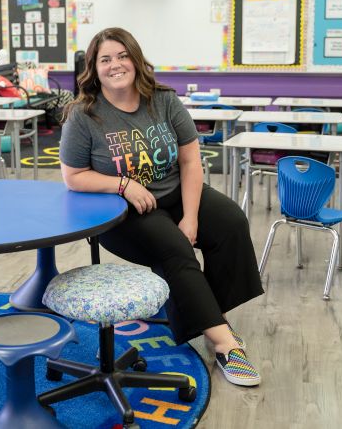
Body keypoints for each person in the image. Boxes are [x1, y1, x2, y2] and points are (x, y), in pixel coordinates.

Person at [59, 27, 264, 387]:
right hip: (121, 211)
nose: (115, 64)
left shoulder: (164, 100)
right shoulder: (84, 115)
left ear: (135, 60)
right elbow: (74, 177)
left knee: (231, 222)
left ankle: (209, 314)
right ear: (94, 68)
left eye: (122, 55)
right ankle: (224, 343)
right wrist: (123, 184)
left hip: (173, 194)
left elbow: (190, 162)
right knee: (174, 247)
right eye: (105, 59)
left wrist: (190, 216)